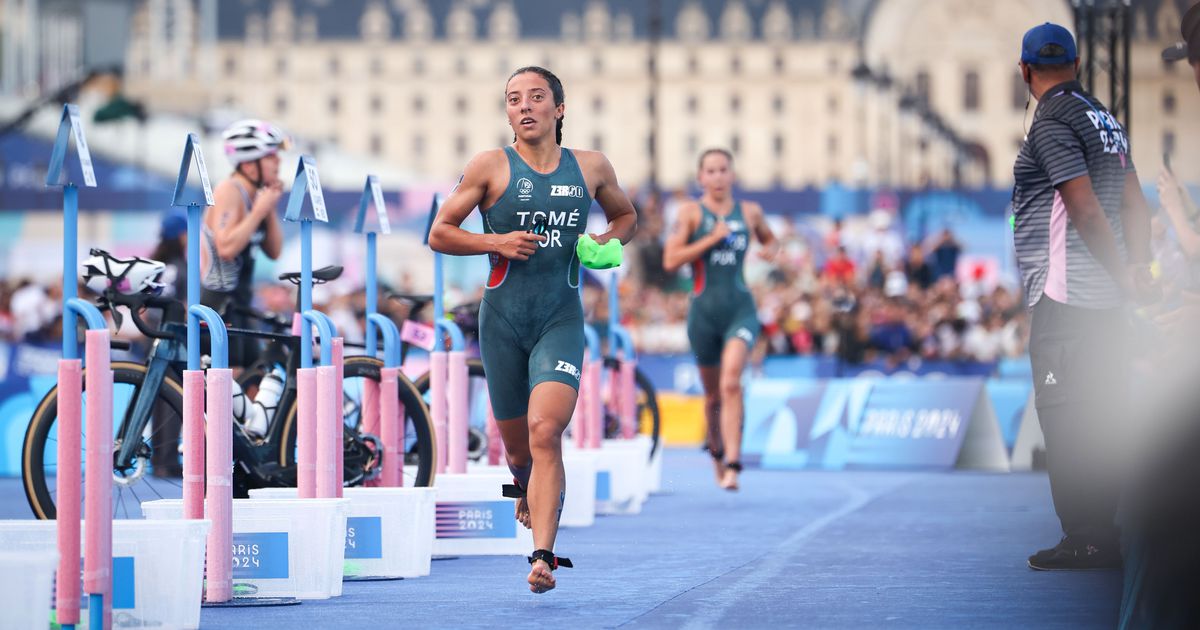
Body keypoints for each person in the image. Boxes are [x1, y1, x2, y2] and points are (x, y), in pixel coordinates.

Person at [428, 66, 637, 594]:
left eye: (536, 97)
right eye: (513, 99)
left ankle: (542, 555)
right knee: (519, 452)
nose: (524, 106)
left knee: (547, 431)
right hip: (501, 322)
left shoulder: (590, 168)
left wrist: (606, 242)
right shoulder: (489, 167)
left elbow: (627, 216)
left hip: (559, 319)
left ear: (558, 109)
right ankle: (523, 485)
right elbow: (440, 233)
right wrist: (494, 243)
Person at [1011, 23, 1157, 571]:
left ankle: (1086, 537)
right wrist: (1137, 268)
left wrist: (1121, 274)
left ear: (1025, 71)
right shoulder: (1105, 118)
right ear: (1077, 64)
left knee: (1065, 414)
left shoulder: (1051, 121)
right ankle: (1106, 529)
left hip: (1067, 297)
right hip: (1105, 302)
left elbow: (1085, 207)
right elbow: (1135, 205)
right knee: (1101, 407)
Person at [662, 149, 778, 491]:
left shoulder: (750, 212)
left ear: (732, 175)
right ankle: (717, 453)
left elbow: (770, 240)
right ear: (701, 178)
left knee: (731, 383)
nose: (717, 177)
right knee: (713, 396)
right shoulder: (690, 214)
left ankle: (734, 462)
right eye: (710, 171)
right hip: (703, 315)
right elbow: (670, 260)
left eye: (723, 170)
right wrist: (712, 238)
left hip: (740, 309)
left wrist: (771, 250)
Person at [201, 120, 286, 369]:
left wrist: (267, 209)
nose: (279, 162)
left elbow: (274, 251)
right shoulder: (229, 190)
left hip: (241, 303)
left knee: (256, 379)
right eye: (271, 156)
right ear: (249, 165)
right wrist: (259, 211)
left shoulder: (254, 196)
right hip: (219, 305)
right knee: (232, 387)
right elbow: (226, 248)